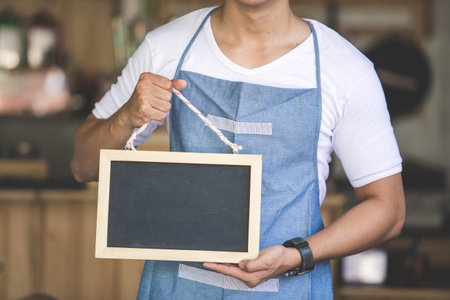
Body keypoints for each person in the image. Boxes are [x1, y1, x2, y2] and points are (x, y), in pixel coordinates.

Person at [71, 0, 405, 299]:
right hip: (174, 289)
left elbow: (388, 210)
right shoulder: (167, 47)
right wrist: (127, 116)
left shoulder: (345, 69)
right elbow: (83, 165)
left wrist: (296, 254)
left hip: (291, 290)